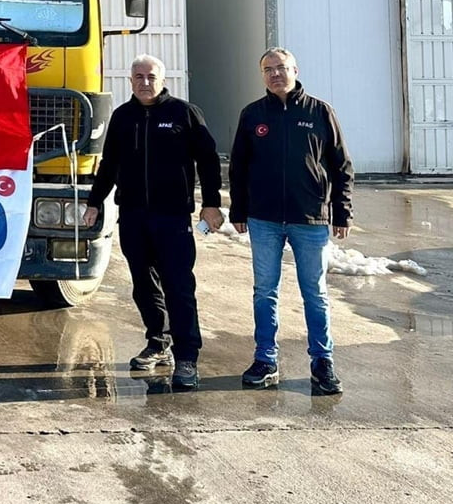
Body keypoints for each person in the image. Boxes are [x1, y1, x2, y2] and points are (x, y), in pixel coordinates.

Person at [82, 54, 223, 390]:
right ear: (130, 81)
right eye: (139, 77)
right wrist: (94, 202)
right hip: (133, 216)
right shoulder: (122, 117)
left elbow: (208, 160)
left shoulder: (183, 113)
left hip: (172, 217)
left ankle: (187, 356)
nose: (145, 82)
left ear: (162, 79)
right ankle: (158, 343)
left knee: (178, 287)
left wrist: (211, 204)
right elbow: (109, 165)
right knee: (144, 286)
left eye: (151, 76)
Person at [229, 47, 353, 395]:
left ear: (295, 70)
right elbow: (238, 168)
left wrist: (341, 211)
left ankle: (322, 362)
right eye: (268, 69)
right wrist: (238, 210)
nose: (275, 74)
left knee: (315, 293)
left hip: (309, 219)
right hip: (264, 220)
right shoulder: (253, 115)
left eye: (281, 68)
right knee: (264, 292)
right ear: (262, 75)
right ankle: (265, 359)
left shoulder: (319, 112)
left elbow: (342, 166)